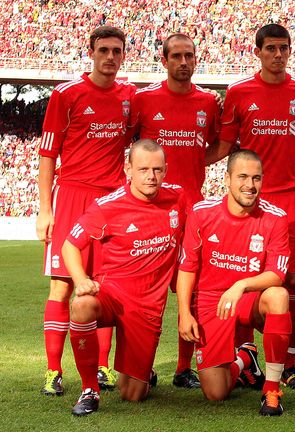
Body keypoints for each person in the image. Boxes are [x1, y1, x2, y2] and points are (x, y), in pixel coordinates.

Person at [207, 24, 295, 390]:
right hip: (250, 199)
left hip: (289, 198)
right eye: (270, 48)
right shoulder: (239, 92)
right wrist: (184, 163)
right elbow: (224, 146)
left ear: (290, 51)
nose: (277, 54)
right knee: (243, 278)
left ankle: (289, 363)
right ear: (257, 51)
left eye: (283, 48)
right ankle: (247, 354)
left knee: (294, 282)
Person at [37, 25, 136, 396]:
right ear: (91, 52)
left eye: (117, 51)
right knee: (62, 285)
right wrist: (45, 210)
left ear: (123, 54)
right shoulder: (66, 94)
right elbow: (47, 154)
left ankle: (103, 367)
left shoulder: (130, 96)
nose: (111, 57)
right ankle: (53, 370)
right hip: (72, 197)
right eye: (104, 50)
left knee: (106, 284)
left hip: (111, 201)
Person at [61, 140, 185, 416]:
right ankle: (89, 388)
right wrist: (81, 279)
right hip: (112, 294)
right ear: (128, 168)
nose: (151, 177)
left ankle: (143, 371)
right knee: (82, 305)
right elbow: (69, 245)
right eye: (143, 169)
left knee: (132, 395)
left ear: (165, 170)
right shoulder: (108, 206)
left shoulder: (178, 198)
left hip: (147, 307)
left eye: (157, 170)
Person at [128, 33, 220, 389]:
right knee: (144, 291)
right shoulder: (144, 99)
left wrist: (194, 163)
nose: (184, 62)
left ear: (196, 60)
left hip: (193, 210)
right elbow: (130, 146)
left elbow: (216, 146)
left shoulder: (209, 102)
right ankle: (141, 365)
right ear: (163, 60)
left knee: (191, 290)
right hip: (150, 211)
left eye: (189, 56)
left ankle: (184, 368)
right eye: (177, 56)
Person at [176, 149, 292, 416]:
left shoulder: (275, 217)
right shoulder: (202, 213)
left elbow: (277, 274)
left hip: (249, 298)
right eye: (242, 177)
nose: (250, 185)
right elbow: (187, 266)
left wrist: (241, 285)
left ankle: (271, 390)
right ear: (227, 178)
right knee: (215, 394)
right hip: (210, 300)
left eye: (256, 178)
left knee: (278, 296)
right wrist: (184, 312)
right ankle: (245, 359)